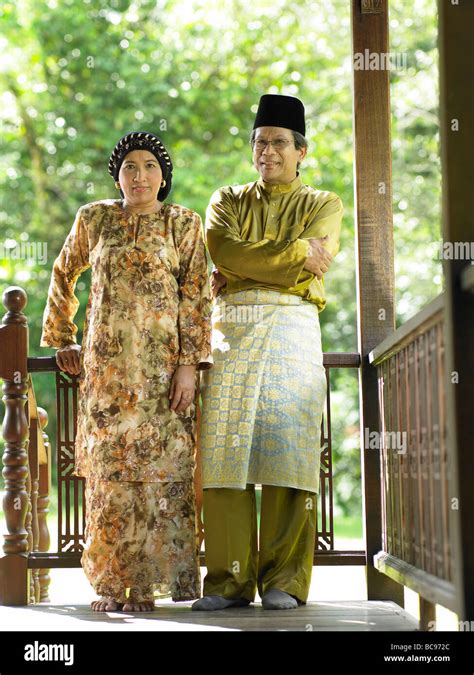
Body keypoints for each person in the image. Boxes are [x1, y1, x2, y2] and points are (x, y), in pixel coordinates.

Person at [41, 131, 212, 612]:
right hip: (107, 373)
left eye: (150, 166)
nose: (139, 176)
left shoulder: (184, 223)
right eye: (130, 167)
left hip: (163, 378)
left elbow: (197, 296)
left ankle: (147, 587)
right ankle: (113, 584)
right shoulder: (93, 219)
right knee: (110, 478)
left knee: (161, 478)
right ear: (117, 176)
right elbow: (62, 272)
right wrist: (63, 335)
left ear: (164, 176)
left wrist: (187, 367)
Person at [193, 94, 343, 611]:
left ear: (301, 151)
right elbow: (222, 250)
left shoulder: (323, 203)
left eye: (279, 142)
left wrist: (247, 267)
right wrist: (298, 253)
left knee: (288, 451)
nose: (268, 151)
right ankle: (228, 581)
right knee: (224, 451)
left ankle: (285, 580)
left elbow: (299, 263)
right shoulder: (227, 199)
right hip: (230, 329)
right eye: (260, 142)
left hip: (292, 328)